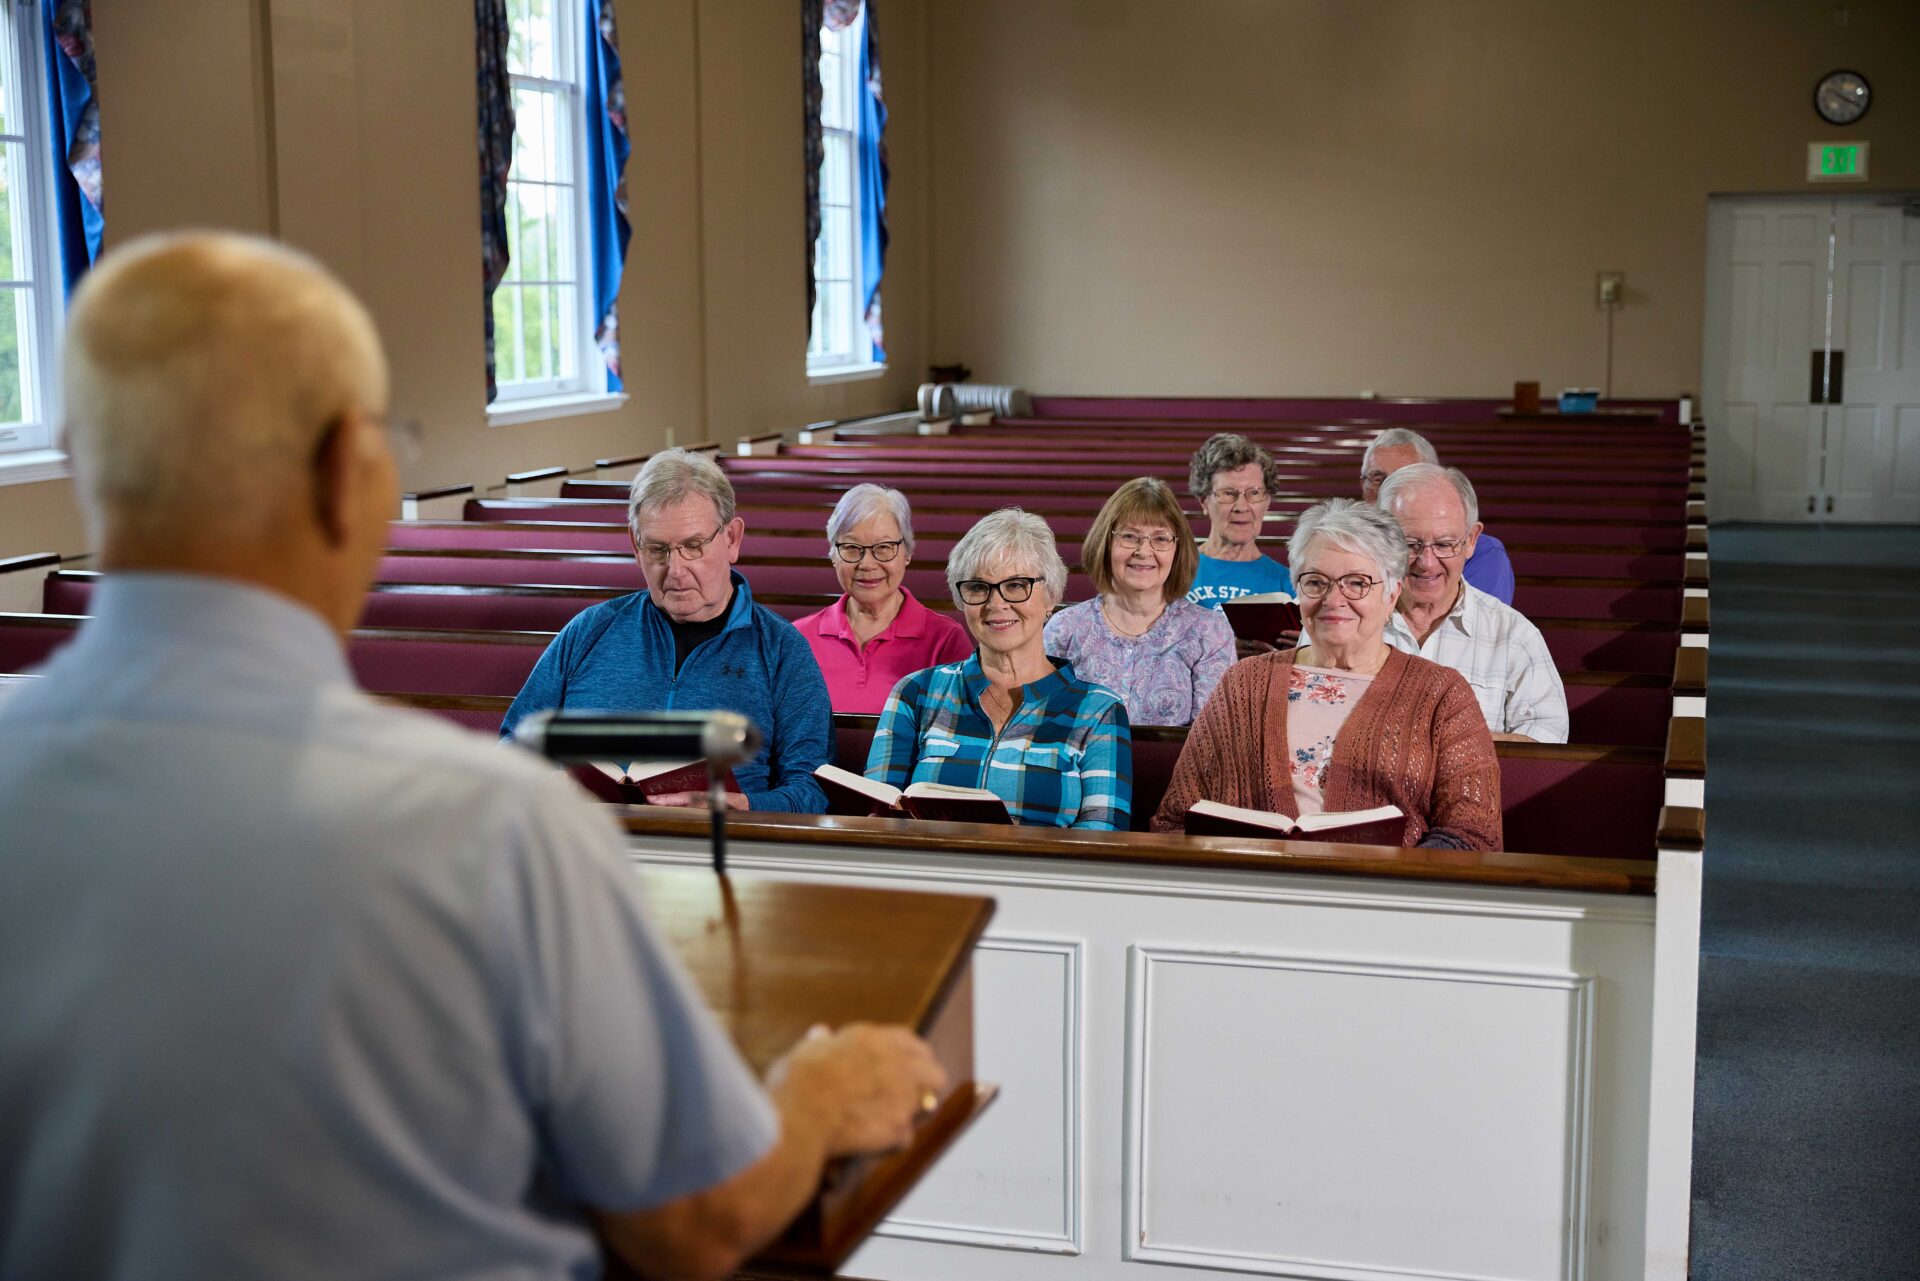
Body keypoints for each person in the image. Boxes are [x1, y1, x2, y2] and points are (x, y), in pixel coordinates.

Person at [0, 232, 945, 1281]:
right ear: (348, 478)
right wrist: (812, 1096)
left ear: (86, 461)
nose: (673, 567)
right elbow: (691, 1225)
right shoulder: (489, 828)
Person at [1151, 499, 1501, 850]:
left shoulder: (1442, 693)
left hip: (1386, 894)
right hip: (1251, 888)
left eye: (1357, 583)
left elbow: (1472, 834)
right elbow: (1175, 818)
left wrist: (1399, 883)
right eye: (1316, 582)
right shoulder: (1242, 682)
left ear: (1392, 593)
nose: (1334, 599)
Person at [500, 448, 832, 812]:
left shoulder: (783, 650)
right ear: (634, 545)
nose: (674, 570)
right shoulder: (589, 631)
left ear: (732, 539)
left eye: (692, 547)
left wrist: (744, 806)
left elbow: (813, 791)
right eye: (657, 550)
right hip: (587, 843)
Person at [866, 508, 1133, 829]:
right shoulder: (915, 694)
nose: (996, 604)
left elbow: (1101, 840)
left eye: (1017, 585)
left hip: (1042, 876)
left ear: (1050, 596)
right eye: (979, 587)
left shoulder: (1099, 711)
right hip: (928, 872)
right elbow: (878, 821)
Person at [1377, 464, 1569, 743]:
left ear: (1471, 541)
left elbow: (1546, 741)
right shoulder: (1343, 620)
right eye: (1409, 544)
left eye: (1444, 544)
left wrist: (1445, 749)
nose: (1427, 562)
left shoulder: (1514, 634)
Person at [1042, 477, 1234, 726]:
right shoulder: (1064, 629)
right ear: (1105, 542)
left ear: (1178, 549)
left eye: (1161, 538)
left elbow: (1214, 740)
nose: (1144, 551)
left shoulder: (1210, 632)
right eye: (1130, 536)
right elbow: (1042, 728)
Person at [793, 483, 973, 714]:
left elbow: (961, 732)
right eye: (851, 547)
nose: (867, 564)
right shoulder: (797, 639)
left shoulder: (945, 639)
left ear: (907, 553)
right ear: (833, 555)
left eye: (884, 547)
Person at [1358, 427, 1514, 602]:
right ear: (1363, 485)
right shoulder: (1346, 544)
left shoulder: (1481, 551)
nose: (1387, 492)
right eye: (1378, 479)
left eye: (1407, 480)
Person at [1184, 432, 1295, 609]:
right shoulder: (1175, 571)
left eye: (1254, 493)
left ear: (1267, 501)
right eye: (1228, 493)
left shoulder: (1287, 584)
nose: (1241, 506)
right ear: (1204, 501)